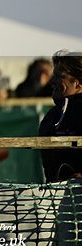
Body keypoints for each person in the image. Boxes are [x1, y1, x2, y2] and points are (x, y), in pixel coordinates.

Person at [39, 50, 82, 182]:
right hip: (57, 198)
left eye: (60, 76)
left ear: (78, 84)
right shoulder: (51, 117)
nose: (51, 81)